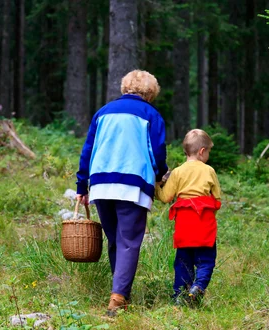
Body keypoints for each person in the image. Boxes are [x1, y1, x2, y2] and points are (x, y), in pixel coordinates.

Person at [76, 70, 169, 316]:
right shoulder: (151, 114)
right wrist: (161, 176)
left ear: (124, 88)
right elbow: (157, 152)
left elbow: (88, 150)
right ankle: (118, 298)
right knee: (128, 241)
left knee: (115, 239)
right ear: (150, 93)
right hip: (132, 183)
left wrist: (81, 185)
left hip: (101, 183)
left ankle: (120, 293)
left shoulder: (103, 112)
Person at [155, 128, 221, 305]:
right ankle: (198, 287)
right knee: (206, 260)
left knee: (183, 261)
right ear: (201, 152)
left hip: (184, 223)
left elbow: (165, 197)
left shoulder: (177, 172)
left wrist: (156, 185)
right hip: (204, 223)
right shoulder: (209, 171)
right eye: (208, 151)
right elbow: (217, 198)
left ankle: (180, 296)